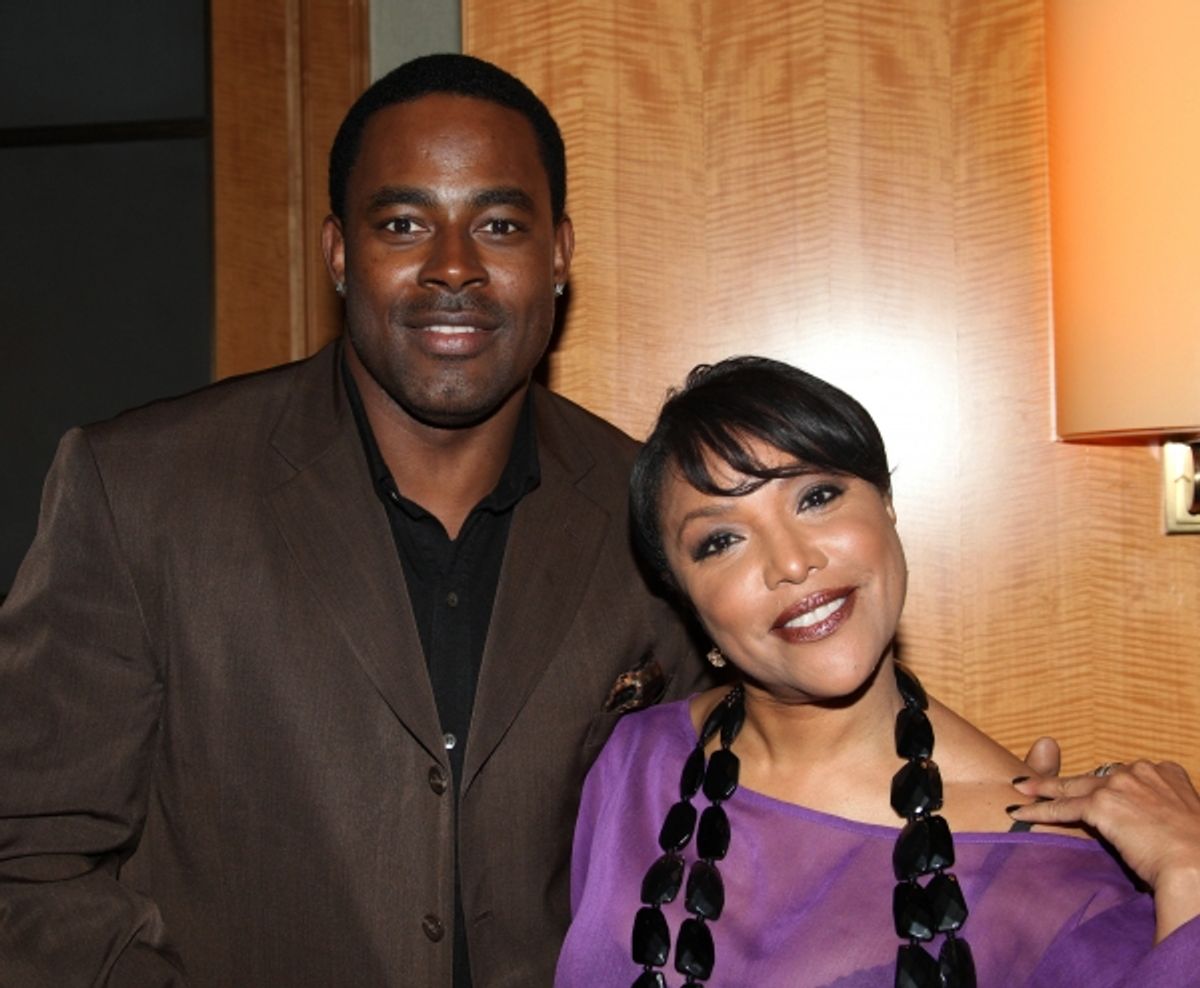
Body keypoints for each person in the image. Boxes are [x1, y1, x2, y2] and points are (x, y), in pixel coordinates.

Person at [0, 55, 707, 987]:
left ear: (560, 253)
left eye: (498, 224)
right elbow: (29, 857)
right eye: (404, 223)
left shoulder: (654, 509)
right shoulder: (141, 491)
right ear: (339, 253)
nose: (454, 266)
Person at [555, 356, 1200, 986]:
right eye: (721, 540)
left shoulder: (1044, 871)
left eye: (816, 497)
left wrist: (1189, 871)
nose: (791, 562)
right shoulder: (637, 768)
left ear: (885, 504)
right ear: (684, 597)